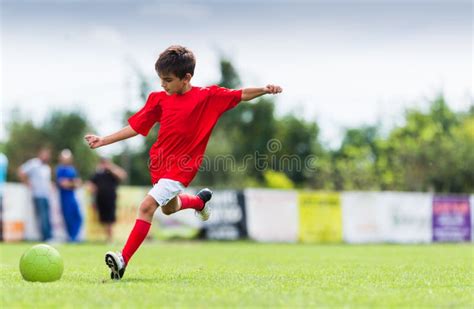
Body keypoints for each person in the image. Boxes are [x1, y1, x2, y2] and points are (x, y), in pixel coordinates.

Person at [85, 45, 282, 280]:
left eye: (167, 80)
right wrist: (103, 140)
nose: (162, 84)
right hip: (159, 165)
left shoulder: (206, 97)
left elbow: (239, 94)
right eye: (160, 79)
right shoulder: (158, 99)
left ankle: (122, 260)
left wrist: (264, 89)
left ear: (186, 77)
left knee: (147, 206)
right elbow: (137, 128)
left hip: (182, 168)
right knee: (169, 208)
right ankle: (199, 202)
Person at [18, 147, 53, 241]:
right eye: (44, 154)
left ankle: (48, 236)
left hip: (46, 196)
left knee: (47, 216)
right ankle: (46, 237)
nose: (46, 156)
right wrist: (26, 182)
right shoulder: (34, 163)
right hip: (38, 195)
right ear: (40, 154)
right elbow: (21, 171)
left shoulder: (47, 168)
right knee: (43, 217)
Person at [90, 157, 127, 243]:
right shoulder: (98, 173)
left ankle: (110, 239)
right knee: (104, 219)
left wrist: (111, 168)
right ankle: (108, 238)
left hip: (110, 198)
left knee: (110, 219)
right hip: (100, 199)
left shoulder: (112, 172)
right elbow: (91, 183)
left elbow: (123, 175)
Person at [56, 149, 83, 242]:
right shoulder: (60, 169)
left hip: (72, 197)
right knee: (68, 218)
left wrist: (71, 183)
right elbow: (63, 183)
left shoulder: (72, 169)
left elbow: (77, 183)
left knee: (78, 217)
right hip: (65, 197)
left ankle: (74, 237)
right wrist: (73, 183)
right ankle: (71, 238)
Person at [0, 152, 8, 241]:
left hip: (1, 191)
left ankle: (1, 236)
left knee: (1, 215)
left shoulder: (3, 158)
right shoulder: (3, 158)